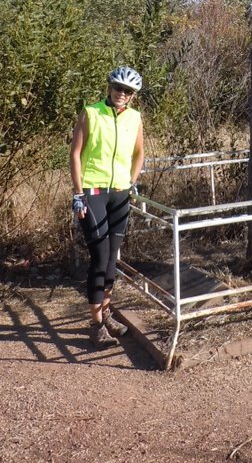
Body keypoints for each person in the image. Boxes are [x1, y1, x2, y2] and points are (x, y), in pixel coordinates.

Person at [70, 66, 144, 349]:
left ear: (132, 96)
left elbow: (139, 153)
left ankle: (107, 314)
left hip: (120, 193)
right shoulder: (91, 113)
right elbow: (75, 153)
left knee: (112, 257)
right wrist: (78, 192)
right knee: (99, 257)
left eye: (127, 91)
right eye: (117, 88)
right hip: (93, 191)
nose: (121, 94)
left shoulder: (135, 118)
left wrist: (132, 181)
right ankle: (96, 324)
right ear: (109, 87)